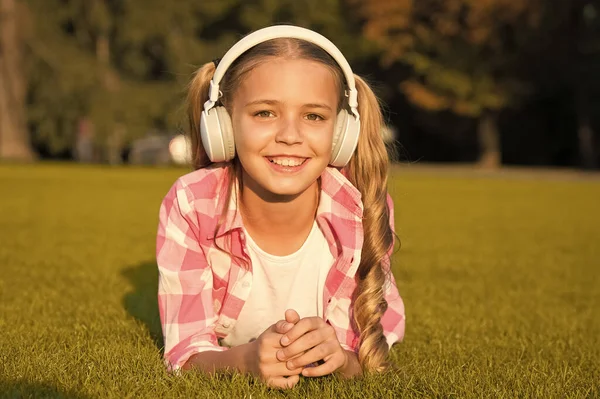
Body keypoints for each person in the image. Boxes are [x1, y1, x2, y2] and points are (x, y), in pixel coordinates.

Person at [156, 25, 405, 390]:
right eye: (265, 114)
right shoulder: (192, 204)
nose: (290, 135)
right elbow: (185, 351)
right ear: (223, 126)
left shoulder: (361, 207)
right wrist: (242, 360)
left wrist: (343, 359)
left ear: (341, 134)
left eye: (314, 116)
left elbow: (368, 347)